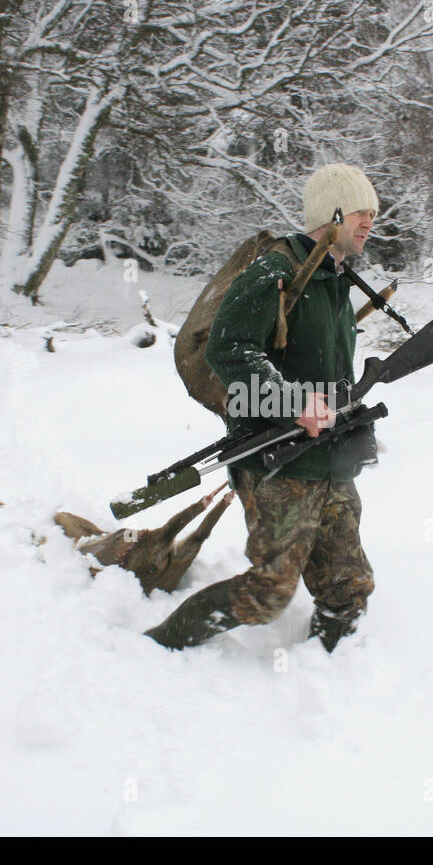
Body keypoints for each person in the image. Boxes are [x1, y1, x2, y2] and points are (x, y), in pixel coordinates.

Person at [145, 163, 380, 652]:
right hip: (279, 459)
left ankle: (332, 663)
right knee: (269, 593)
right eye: (361, 212)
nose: (370, 223)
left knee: (348, 583)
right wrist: (294, 403)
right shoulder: (276, 268)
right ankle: (162, 644)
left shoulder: (335, 277)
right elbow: (227, 351)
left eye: (373, 214)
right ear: (332, 212)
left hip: (331, 454)